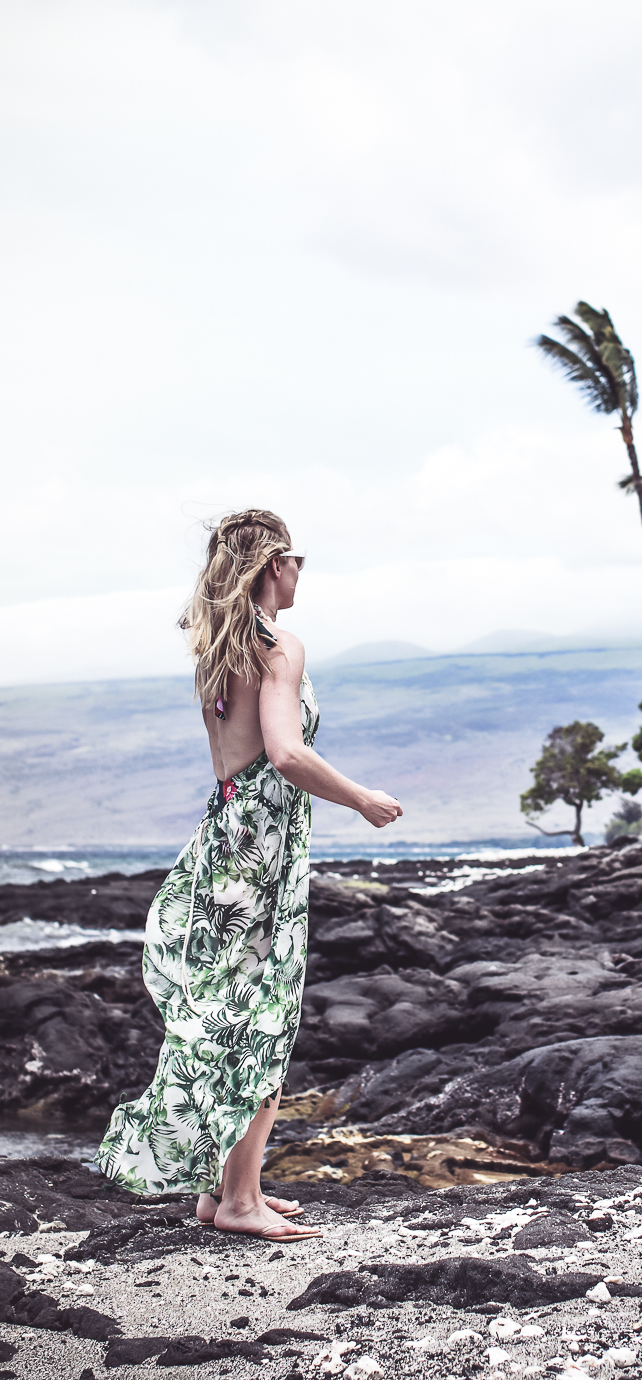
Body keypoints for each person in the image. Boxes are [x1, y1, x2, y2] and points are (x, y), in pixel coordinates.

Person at [96, 509, 402, 1240]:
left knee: (227, 1011)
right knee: (264, 1017)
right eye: (296, 560)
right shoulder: (279, 648)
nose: (301, 573)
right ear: (273, 568)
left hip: (226, 842)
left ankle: (225, 1190)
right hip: (261, 857)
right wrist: (360, 797)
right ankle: (239, 1203)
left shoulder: (220, 650)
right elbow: (287, 755)